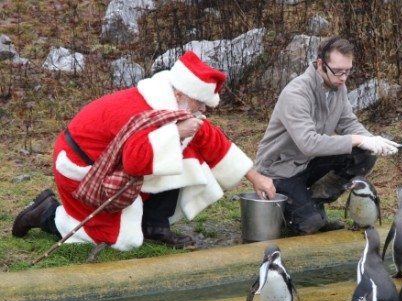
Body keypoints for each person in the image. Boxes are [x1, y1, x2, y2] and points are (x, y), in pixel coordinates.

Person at [12, 51, 275, 250]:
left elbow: (213, 140)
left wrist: (255, 177)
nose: (204, 110)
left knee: (186, 155)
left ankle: (154, 225)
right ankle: (46, 213)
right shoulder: (144, 112)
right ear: (183, 93)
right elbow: (134, 162)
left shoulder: (173, 106)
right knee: (110, 237)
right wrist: (176, 134)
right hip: (81, 170)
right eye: (200, 102)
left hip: (112, 167)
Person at [254, 36, 401, 234]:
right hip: (279, 171)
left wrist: (371, 141)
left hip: (308, 163)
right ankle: (295, 213)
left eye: (348, 71)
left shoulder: (337, 87)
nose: (343, 78)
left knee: (363, 154)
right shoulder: (296, 93)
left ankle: (314, 201)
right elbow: (309, 143)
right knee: (310, 224)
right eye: (338, 71)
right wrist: (358, 139)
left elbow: (348, 123)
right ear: (321, 64)